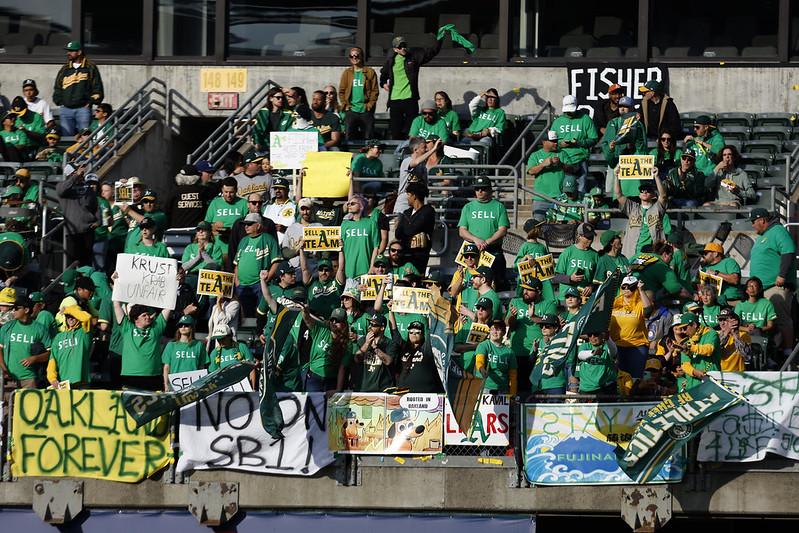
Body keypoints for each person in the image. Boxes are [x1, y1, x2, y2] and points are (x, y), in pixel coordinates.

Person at [380, 33, 446, 140]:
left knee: (411, 131)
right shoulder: (390, 61)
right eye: (400, 47)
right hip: (395, 100)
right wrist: (383, 84)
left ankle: (411, 154)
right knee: (395, 131)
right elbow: (383, 75)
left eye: (404, 45)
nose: (403, 48)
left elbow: (431, 52)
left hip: (410, 99)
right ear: (395, 49)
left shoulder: (414, 57)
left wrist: (440, 38)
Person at [749, 207, 796, 355]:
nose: (752, 225)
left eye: (753, 221)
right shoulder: (766, 235)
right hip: (762, 290)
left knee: (782, 319)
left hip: (775, 287)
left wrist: (782, 275)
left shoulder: (778, 231)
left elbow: (788, 252)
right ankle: (770, 354)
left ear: (762, 220)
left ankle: (789, 352)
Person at [507, 277, 557, 392]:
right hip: (518, 352)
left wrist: (533, 317)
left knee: (537, 389)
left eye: (529, 290)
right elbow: (508, 326)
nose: (525, 292)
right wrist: (512, 317)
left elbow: (552, 325)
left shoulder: (548, 304)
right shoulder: (516, 302)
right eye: (524, 289)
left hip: (539, 354)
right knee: (519, 389)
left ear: (539, 292)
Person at [457, 175, 510, 285]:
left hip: (493, 252)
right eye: (477, 189)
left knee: (496, 285)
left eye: (483, 188)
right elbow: (462, 231)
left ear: (490, 189)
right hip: (472, 254)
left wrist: (487, 242)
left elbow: (503, 230)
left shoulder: (499, 207)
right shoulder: (468, 207)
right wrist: (476, 240)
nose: (480, 191)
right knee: (470, 285)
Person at [111, 296, 171, 391]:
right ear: (135, 319)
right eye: (144, 315)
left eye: (148, 314)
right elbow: (116, 306)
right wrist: (116, 285)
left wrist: (174, 286)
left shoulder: (156, 327)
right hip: (131, 376)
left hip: (153, 376)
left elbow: (168, 307)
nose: (148, 317)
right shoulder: (127, 328)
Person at [614, 166, 668, 259]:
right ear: (639, 195)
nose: (644, 192)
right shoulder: (633, 208)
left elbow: (663, 196)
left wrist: (657, 176)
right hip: (633, 253)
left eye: (648, 190)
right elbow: (618, 195)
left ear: (653, 194)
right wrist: (616, 177)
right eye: (642, 190)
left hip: (653, 254)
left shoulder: (657, 208)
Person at [53, 41, 104, 137]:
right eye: (68, 51)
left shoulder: (90, 67)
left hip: (83, 109)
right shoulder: (65, 69)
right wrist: (60, 102)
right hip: (66, 109)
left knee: (85, 137)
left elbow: (97, 88)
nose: (68, 53)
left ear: (79, 52)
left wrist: (90, 102)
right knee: (66, 138)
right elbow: (58, 88)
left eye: (71, 51)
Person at [0, 295, 52, 389]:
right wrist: (4, 369)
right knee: (8, 403)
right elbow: (0, 349)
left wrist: (35, 358)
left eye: (17, 308)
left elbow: (49, 353)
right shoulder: (7, 327)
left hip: (30, 379)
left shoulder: (40, 328)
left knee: (30, 404)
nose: (13, 311)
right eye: (13, 308)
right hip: (9, 378)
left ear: (26, 310)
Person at [234, 212, 281, 314]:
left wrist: (266, 280)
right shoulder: (244, 240)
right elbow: (236, 262)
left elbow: (276, 262)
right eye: (245, 224)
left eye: (249, 224)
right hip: (243, 285)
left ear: (259, 225)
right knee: (245, 317)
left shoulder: (269, 239)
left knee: (261, 315)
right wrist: (237, 280)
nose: (246, 226)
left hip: (260, 285)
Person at [601, 95, 648, 197]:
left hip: (633, 166)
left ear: (632, 108)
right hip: (616, 165)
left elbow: (643, 150)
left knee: (635, 200)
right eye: (620, 106)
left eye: (625, 106)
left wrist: (637, 127)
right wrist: (610, 149)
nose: (622, 109)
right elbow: (606, 148)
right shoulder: (612, 123)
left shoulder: (639, 125)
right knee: (614, 200)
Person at [56, 166, 102, 267]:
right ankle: (72, 281)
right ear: (70, 174)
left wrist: (98, 222)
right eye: (78, 173)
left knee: (86, 262)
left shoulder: (87, 189)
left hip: (88, 230)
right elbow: (60, 190)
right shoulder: (63, 187)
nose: (82, 175)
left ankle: (85, 281)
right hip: (73, 232)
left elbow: (96, 207)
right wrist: (75, 176)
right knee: (72, 262)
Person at [551, 95, 598, 193]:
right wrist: (560, 144)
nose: (569, 113)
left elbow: (594, 139)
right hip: (562, 160)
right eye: (567, 111)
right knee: (563, 190)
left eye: (571, 110)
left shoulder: (585, 119)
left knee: (581, 190)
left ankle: (580, 208)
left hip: (579, 159)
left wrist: (579, 143)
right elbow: (551, 141)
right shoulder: (558, 122)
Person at [302, 307, 353, 394]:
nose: (334, 323)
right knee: (311, 405)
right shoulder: (322, 329)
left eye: (337, 321)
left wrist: (338, 389)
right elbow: (307, 320)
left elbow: (342, 368)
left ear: (344, 323)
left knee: (328, 407)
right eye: (332, 320)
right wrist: (305, 311)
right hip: (313, 377)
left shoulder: (347, 343)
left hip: (331, 381)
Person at [394, 181, 436, 274]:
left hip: (420, 256)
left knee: (416, 279)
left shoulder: (428, 211)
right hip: (404, 254)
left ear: (414, 196)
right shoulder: (407, 212)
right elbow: (398, 233)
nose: (407, 197)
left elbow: (410, 230)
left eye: (408, 194)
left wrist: (407, 225)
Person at [47, 305, 93, 389]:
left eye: (73, 316)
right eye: (68, 317)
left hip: (82, 382)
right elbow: (53, 360)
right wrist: (52, 379)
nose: (70, 319)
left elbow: (87, 318)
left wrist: (67, 310)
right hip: (63, 384)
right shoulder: (58, 337)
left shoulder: (84, 332)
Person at [338, 46, 379, 141]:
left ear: (362, 56)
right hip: (351, 109)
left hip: (365, 109)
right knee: (349, 137)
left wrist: (370, 104)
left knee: (368, 138)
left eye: (357, 55)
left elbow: (375, 91)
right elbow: (341, 91)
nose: (354, 58)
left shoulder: (370, 72)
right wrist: (346, 105)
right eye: (351, 56)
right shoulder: (347, 73)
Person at [673, 312, 720, 391]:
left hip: (711, 383)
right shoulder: (686, 343)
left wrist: (689, 347)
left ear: (694, 325)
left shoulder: (711, 334)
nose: (684, 332)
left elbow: (708, 349)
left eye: (685, 328)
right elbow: (685, 364)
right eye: (682, 329)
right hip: (692, 385)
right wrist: (694, 372)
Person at [350, 313, 397, 392]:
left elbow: (388, 361)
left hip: (383, 390)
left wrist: (375, 347)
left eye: (374, 325)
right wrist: (367, 344)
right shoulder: (362, 341)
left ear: (382, 328)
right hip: (363, 389)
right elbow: (357, 359)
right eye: (370, 324)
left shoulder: (390, 344)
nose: (370, 327)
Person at [394, 136, 440, 214]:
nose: (426, 150)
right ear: (416, 150)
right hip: (404, 204)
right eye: (424, 148)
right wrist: (433, 149)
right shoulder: (407, 161)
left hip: (417, 204)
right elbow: (415, 162)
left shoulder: (422, 167)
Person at [161, 315, 209, 389]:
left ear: (192, 327)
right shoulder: (171, 345)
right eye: (180, 325)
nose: (183, 327)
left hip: (194, 385)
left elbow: (201, 367)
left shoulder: (198, 345)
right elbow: (166, 367)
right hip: (174, 386)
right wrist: (166, 385)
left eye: (186, 325)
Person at [204, 176, 249, 256]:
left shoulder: (244, 203)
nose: (228, 195)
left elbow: (248, 225)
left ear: (236, 190)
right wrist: (214, 225)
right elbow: (206, 224)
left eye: (231, 192)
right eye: (226, 192)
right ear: (222, 190)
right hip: (217, 249)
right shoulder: (215, 203)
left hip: (237, 248)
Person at [394, 320, 443, 393]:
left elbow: (431, 331)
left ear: (423, 335)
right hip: (403, 394)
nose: (414, 334)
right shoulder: (403, 347)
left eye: (417, 332)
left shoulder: (426, 349)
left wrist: (430, 315)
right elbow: (394, 331)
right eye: (411, 332)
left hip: (425, 394)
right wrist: (390, 311)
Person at [553, 222, 598, 300]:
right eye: (587, 237)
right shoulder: (568, 252)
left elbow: (597, 278)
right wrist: (570, 278)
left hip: (584, 298)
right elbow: (557, 276)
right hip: (568, 298)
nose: (590, 240)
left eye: (592, 236)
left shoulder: (595, 255)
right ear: (579, 236)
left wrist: (591, 286)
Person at [164, 164, 217, 229]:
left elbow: (167, 211)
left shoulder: (174, 191)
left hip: (176, 230)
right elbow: (217, 187)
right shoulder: (202, 190)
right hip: (197, 230)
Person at [341, 194, 380, 279]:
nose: (349, 205)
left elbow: (375, 247)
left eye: (352, 203)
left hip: (365, 268)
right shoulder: (344, 225)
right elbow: (341, 249)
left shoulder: (371, 223)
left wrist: (372, 267)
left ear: (361, 207)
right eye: (348, 204)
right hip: (348, 269)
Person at [474, 320, 517, 396]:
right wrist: (482, 369)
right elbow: (479, 360)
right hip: (484, 388)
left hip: (503, 390)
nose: (494, 331)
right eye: (492, 329)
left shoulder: (510, 352)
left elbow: (513, 376)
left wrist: (512, 395)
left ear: (504, 332)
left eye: (498, 329)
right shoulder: (483, 345)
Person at [529, 313, 568, 397]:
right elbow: (531, 362)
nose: (543, 328)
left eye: (547, 326)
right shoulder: (539, 342)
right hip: (538, 385)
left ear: (556, 328)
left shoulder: (562, 341)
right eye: (542, 326)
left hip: (555, 384)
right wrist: (535, 351)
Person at [207, 323, 256, 388]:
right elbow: (212, 375)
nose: (220, 341)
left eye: (222, 338)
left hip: (242, 387)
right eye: (218, 339)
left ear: (230, 336)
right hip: (223, 388)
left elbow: (252, 368)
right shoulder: (214, 353)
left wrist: (253, 388)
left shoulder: (242, 347)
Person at [575, 331, 618, 396]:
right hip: (586, 389)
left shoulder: (607, 346)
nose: (592, 337)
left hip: (606, 389)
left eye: (596, 334)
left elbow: (614, 352)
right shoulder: (585, 346)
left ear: (602, 335)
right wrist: (593, 353)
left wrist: (608, 339)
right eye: (589, 335)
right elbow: (580, 355)